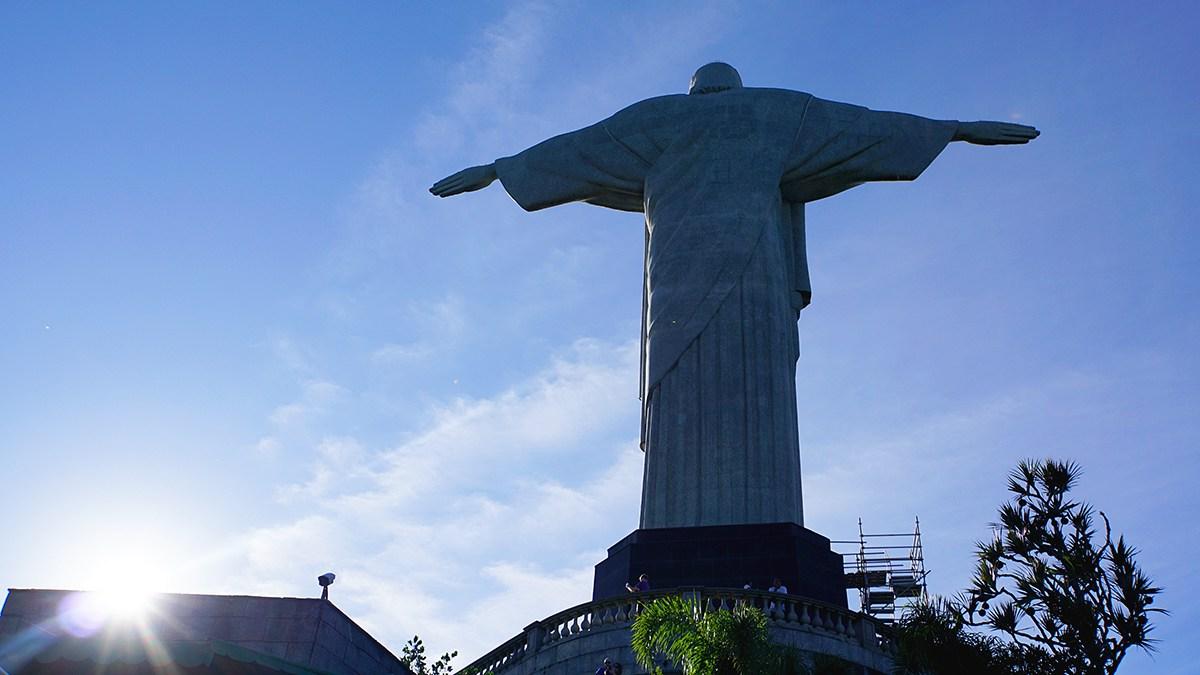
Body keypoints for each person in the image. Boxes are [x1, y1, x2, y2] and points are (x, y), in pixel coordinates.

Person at [431, 63, 1038, 531]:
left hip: (679, 286)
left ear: (693, 93)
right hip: (750, 282)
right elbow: (862, 127)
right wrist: (952, 130)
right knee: (750, 390)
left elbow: (580, 148)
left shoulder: (657, 119)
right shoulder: (777, 112)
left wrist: (498, 168)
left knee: (695, 386)